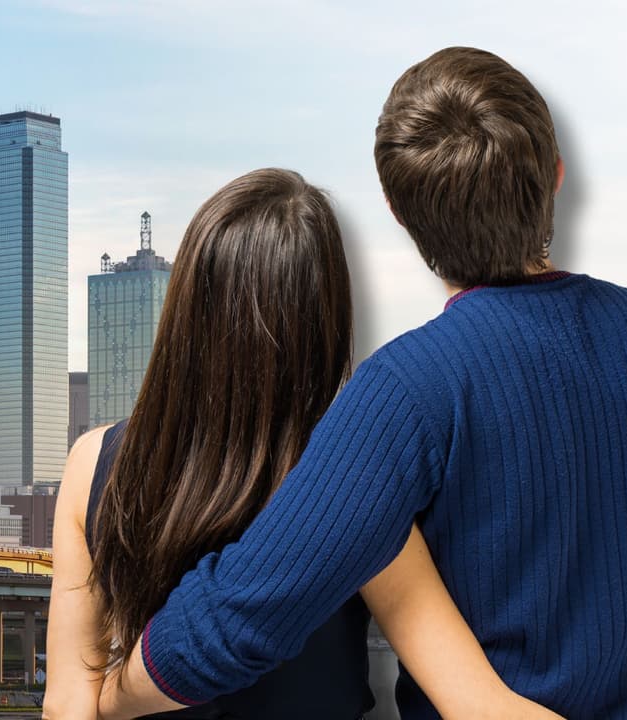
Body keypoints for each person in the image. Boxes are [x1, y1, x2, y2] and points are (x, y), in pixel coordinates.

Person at [97, 48, 627, 719]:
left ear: (404, 220)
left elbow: (241, 619)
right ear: (558, 177)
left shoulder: (404, 392)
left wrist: (112, 692)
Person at [45, 168, 562, 719]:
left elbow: (68, 706)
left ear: (185, 308)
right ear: (326, 318)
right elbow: (477, 703)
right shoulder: (355, 479)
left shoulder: (93, 464)